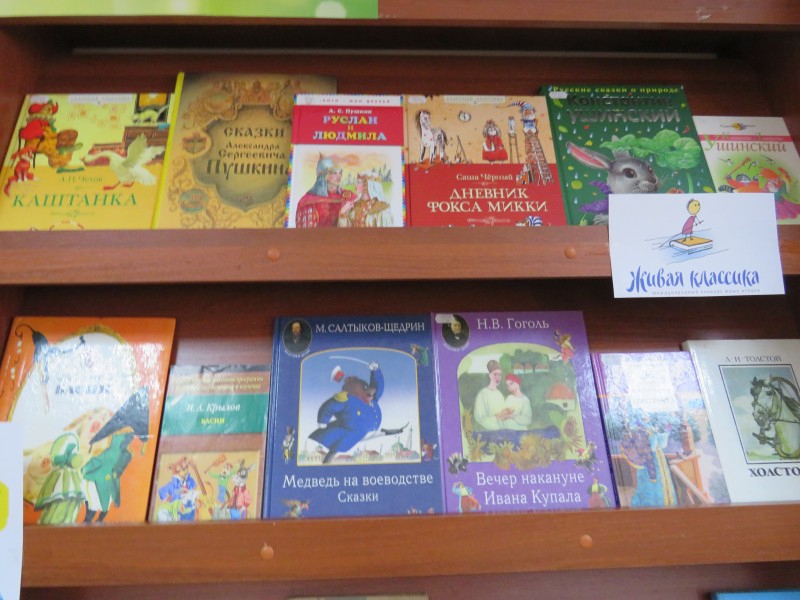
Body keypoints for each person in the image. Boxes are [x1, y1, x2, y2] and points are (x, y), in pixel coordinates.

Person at [309, 362, 384, 463]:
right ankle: (326, 463)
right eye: (365, 388)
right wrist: (323, 421)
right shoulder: (346, 399)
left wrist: (375, 371)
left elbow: (378, 386)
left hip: (369, 429)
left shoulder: (371, 398)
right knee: (339, 445)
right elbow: (330, 406)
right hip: (352, 431)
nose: (370, 391)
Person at [295, 155, 355, 227]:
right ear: (324, 175)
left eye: (340, 173)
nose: (339, 176)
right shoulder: (308, 201)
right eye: (334, 173)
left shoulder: (348, 196)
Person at [474, 360, 510, 431]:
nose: (498, 377)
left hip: (502, 430)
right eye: (495, 374)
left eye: (499, 375)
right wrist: (496, 417)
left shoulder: (499, 394)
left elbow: (502, 414)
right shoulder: (483, 394)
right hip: (488, 432)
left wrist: (507, 413)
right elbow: (480, 419)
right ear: (490, 375)